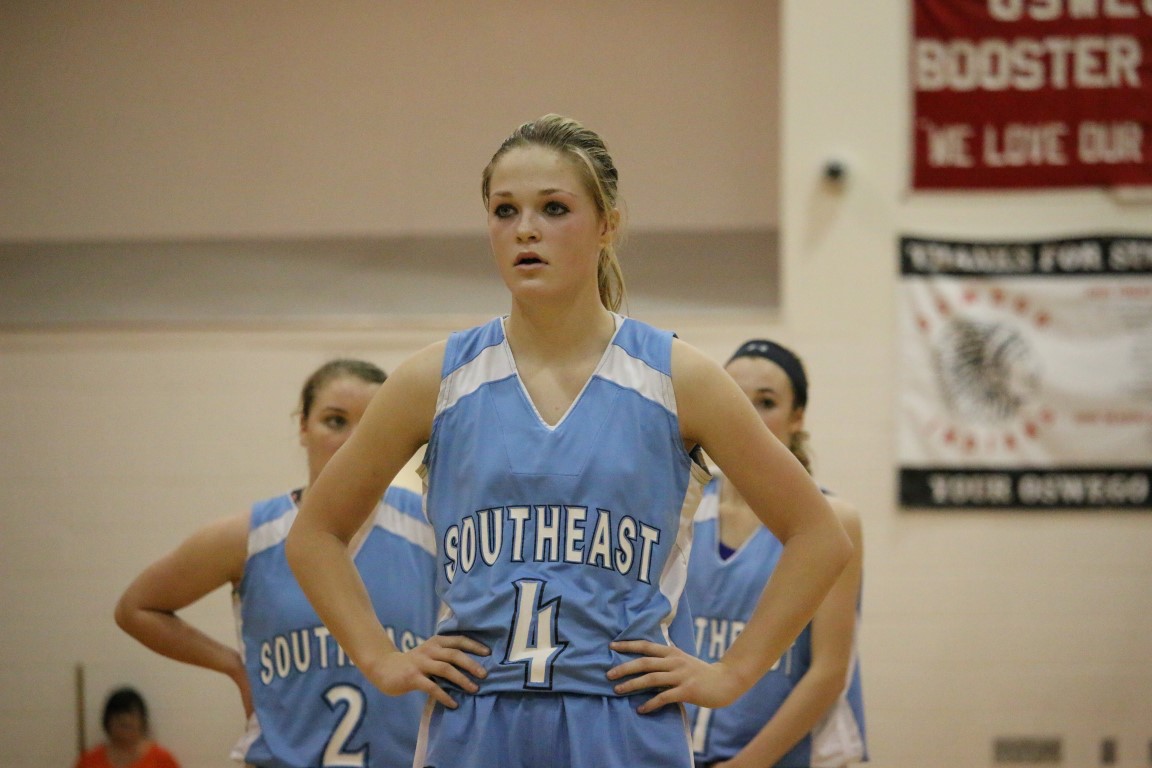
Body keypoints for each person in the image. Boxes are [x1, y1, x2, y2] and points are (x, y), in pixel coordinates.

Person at [285, 114, 853, 768]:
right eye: (505, 210)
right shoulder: (432, 380)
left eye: (554, 208)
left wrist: (732, 673)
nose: (525, 229)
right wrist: (381, 659)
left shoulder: (678, 377)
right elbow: (315, 533)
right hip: (475, 717)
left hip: (623, 719)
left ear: (608, 224)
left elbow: (820, 535)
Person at [114, 359, 438, 768]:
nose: (352, 440)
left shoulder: (431, 524)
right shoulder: (252, 535)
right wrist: (233, 666)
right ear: (302, 427)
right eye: (335, 421)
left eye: (369, 422)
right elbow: (137, 607)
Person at [686, 339, 867, 768]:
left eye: (766, 402)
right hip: (684, 751)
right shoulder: (683, 506)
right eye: (735, 397)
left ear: (797, 416)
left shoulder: (833, 521)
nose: (747, 415)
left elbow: (828, 673)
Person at [74, 686, 180, 768]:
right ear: (107, 721)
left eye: (131, 714)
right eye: (118, 715)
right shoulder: (89, 762)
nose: (125, 720)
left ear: (142, 720)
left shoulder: (162, 760)